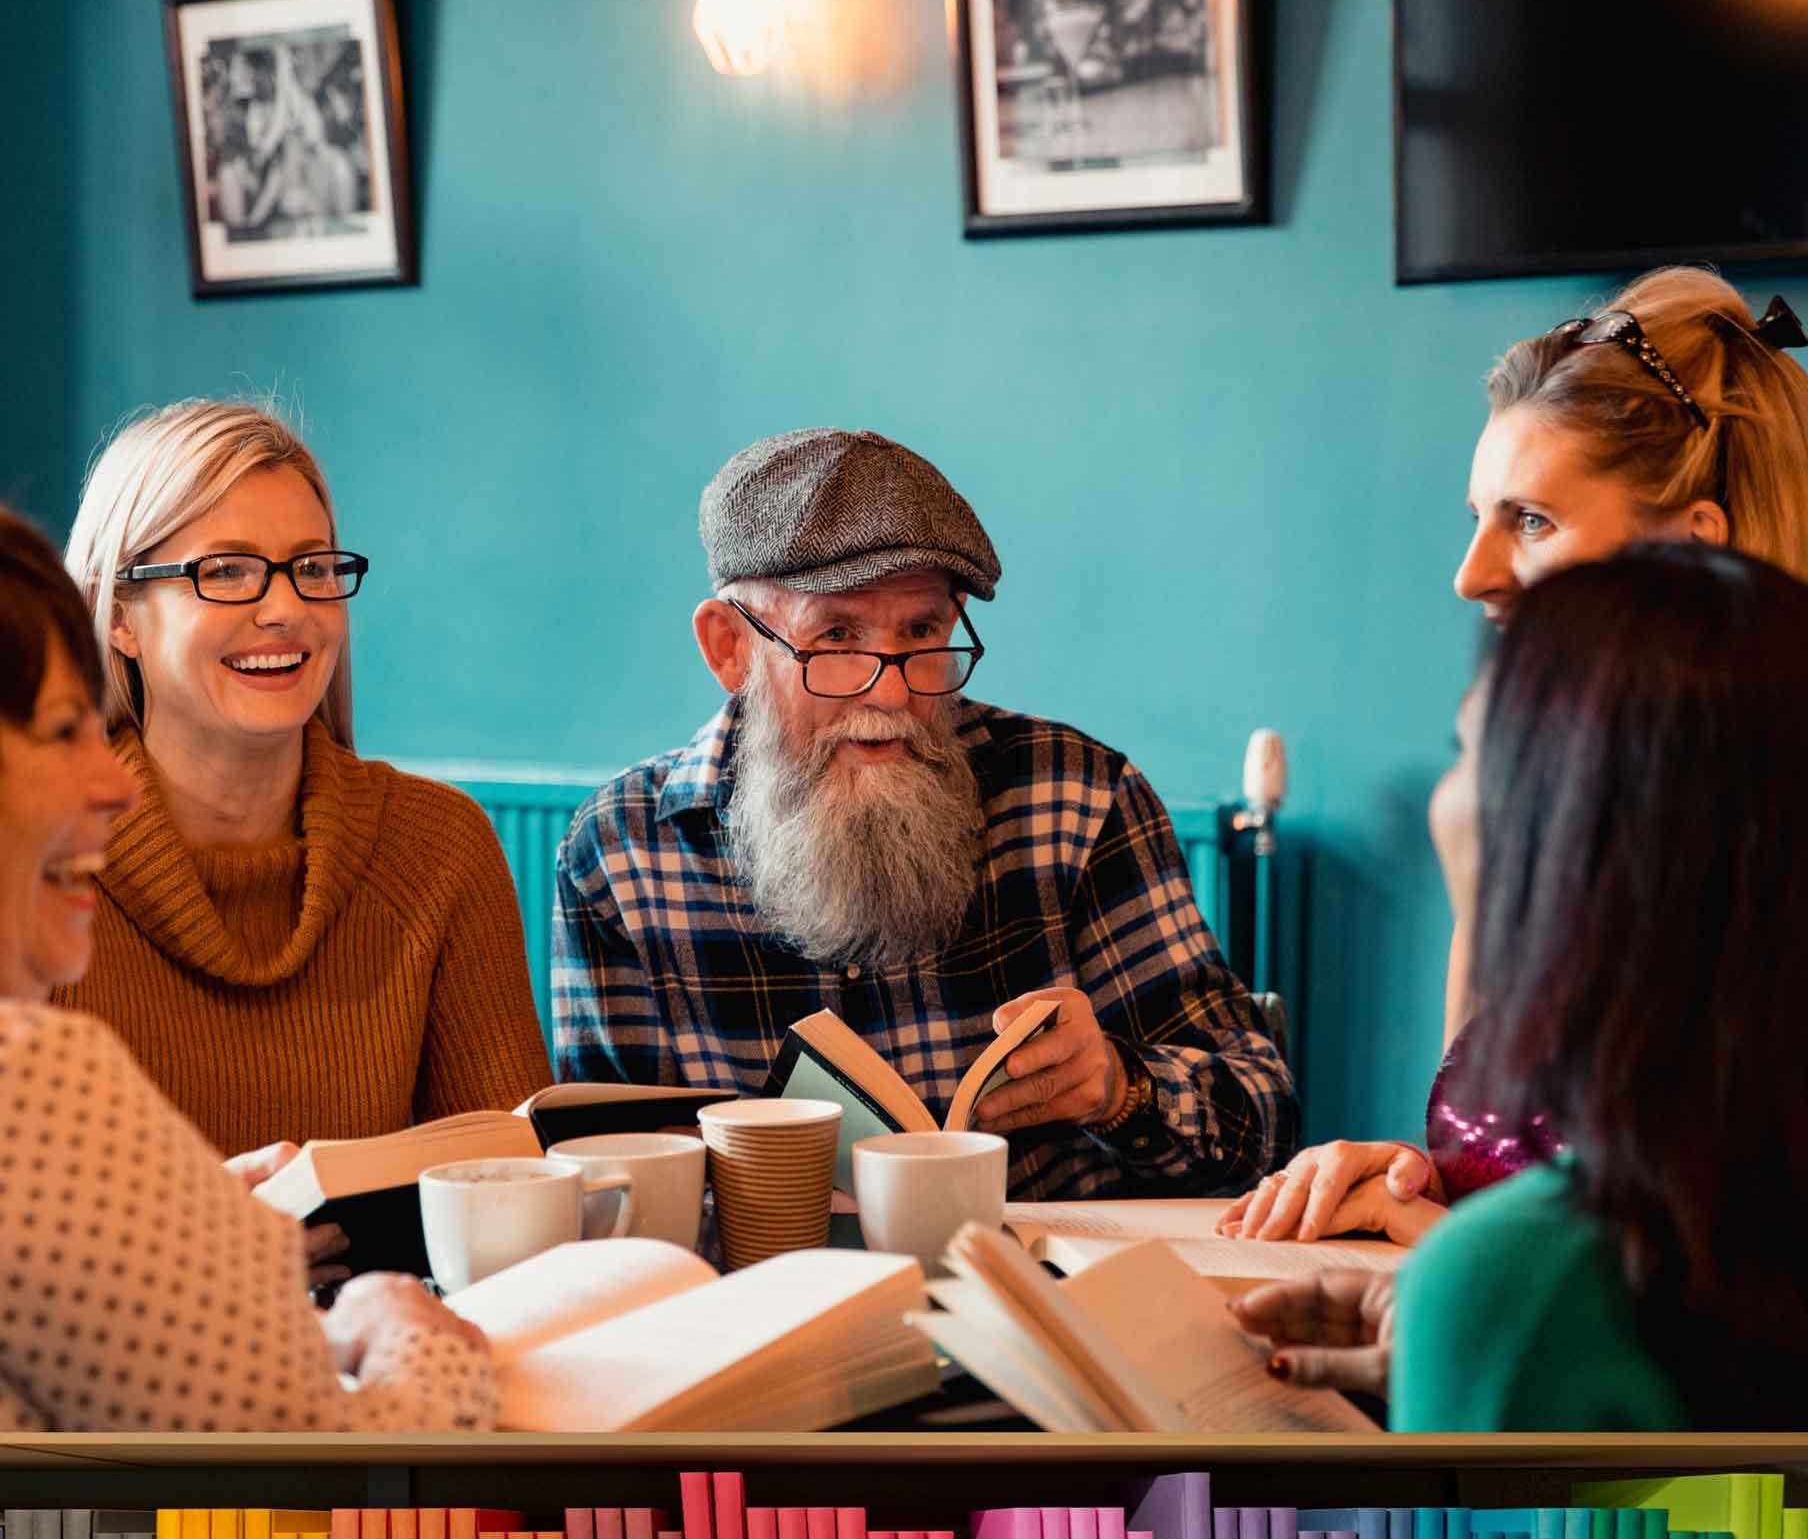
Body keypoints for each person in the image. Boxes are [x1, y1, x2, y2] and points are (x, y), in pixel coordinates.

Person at [0, 488, 493, 1429]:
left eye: (312, 565)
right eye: (57, 735)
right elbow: (319, 1460)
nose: (111, 786)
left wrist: (178, 1239)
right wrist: (407, 1331)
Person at [552, 428, 1296, 1200]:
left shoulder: (1077, 795)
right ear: (730, 647)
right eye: (837, 636)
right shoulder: (622, 851)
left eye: (921, 633)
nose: (893, 694)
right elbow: (603, 1181)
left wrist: (1120, 1087)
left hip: (1040, 1292)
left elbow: (1266, 1120)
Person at [1223, 266, 1808, 1247]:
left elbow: (1714, 1302)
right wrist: (1405, 1185)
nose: (1469, 576)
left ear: (1693, 553)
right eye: (1475, 518)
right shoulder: (1520, 816)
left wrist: (1439, 1252)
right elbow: (1485, 1194)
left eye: (1529, 520)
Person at [1242, 546, 1808, 1425]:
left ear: (1568, 828)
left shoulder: (1519, 1272)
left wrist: (1475, 1323)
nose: (1473, 570)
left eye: (1467, 753)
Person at [56, 399, 552, 1173]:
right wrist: (209, 1235)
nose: (286, 609)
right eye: (226, 571)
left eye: (314, 567)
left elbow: (514, 1186)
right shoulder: (32, 861)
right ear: (116, 614)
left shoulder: (438, 847)